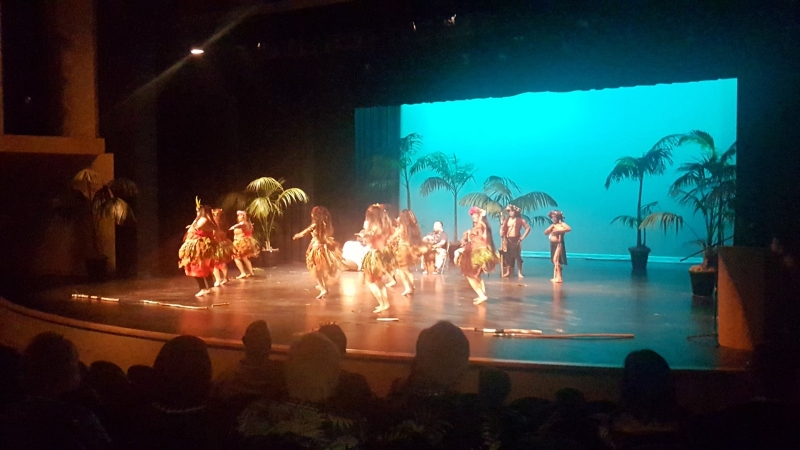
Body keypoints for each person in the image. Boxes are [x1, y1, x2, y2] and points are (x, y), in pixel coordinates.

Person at [293, 206, 342, 299]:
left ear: (315, 215)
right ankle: (324, 287)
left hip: (317, 250)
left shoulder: (315, 225)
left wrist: (297, 236)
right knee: (321, 270)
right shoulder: (327, 225)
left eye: (313, 214)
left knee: (316, 270)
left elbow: (305, 232)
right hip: (324, 249)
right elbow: (326, 236)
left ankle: (323, 288)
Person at [179, 200, 219, 297]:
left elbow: (197, 228)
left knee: (197, 266)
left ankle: (203, 288)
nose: (196, 211)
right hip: (199, 244)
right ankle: (210, 287)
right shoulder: (205, 219)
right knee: (202, 266)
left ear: (201, 211)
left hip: (200, 246)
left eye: (198, 210)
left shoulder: (203, 219)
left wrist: (193, 225)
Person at [460, 206, 500, 305]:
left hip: (479, 253)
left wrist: (468, 235)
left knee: (469, 275)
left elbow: (477, 240)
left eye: (475, 214)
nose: (473, 216)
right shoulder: (483, 225)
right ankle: (483, 294)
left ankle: (482, 295)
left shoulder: (480, 226)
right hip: (481, 252)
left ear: (480, 215)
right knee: (476, 275)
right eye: (472, 215)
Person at [361, 204, 395, 313]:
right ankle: (385, 304)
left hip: (375, 255)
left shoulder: (373, 227)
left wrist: (364, 231)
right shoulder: (384, 225)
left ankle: (382, 303)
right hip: (382, 253)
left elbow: (367, 240)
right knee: (379, 281)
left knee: (369, 281)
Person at [389, 209, 425, 296]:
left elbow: (394, 236)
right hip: (409, 249)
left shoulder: (402, 227)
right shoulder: (413, 227)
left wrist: (390, 239)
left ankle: (410, 287)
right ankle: (410, 287)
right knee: (404, 269)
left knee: (404, 270)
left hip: (402, 249)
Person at [500, 205, 531, 278]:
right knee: (508, 256)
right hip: (508, 239)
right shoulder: (507, 220)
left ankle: (519, 272)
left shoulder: (520, 220)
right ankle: (508, 272)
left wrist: (522, 237)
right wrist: (502, 232)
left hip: (516, 240)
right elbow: (503, 229)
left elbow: (528, 228)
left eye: (512, 211)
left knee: (517, 256)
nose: (510, 213)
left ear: (515, 212)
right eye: (509, 211)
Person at [229, 210, 260, 279]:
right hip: (243, 242)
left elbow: (241, 224)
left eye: (239, 215)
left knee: (236, 257)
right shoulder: (247, 223)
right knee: (244, 258)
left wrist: (233, 226)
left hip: (240, 242)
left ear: (243, 216)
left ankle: (243, 273)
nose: (238, 217)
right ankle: (251, 272)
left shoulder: (244, 223)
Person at [544, 210, 571, 283]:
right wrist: (549, 229)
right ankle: (555, 276)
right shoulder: (553, 225)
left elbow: (569, 229)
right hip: (553, 244)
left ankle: (559, 277)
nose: (553, 218)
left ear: (558, 217)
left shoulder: (562, 224)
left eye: (554, 217)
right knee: (555, 261)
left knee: (556, 259)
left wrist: (559, 231)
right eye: (552, 217)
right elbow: (546, 232)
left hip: (559, 244)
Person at [210, 208, 234, 287]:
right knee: (214, 263)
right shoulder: (212, 224)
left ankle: (225, 278)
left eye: (215, 215)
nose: (214, 216)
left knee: (222, 263)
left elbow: (220, 235)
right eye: (213, 215)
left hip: (221, 245)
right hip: (214, 245)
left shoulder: (222, 225)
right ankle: (218, 279)